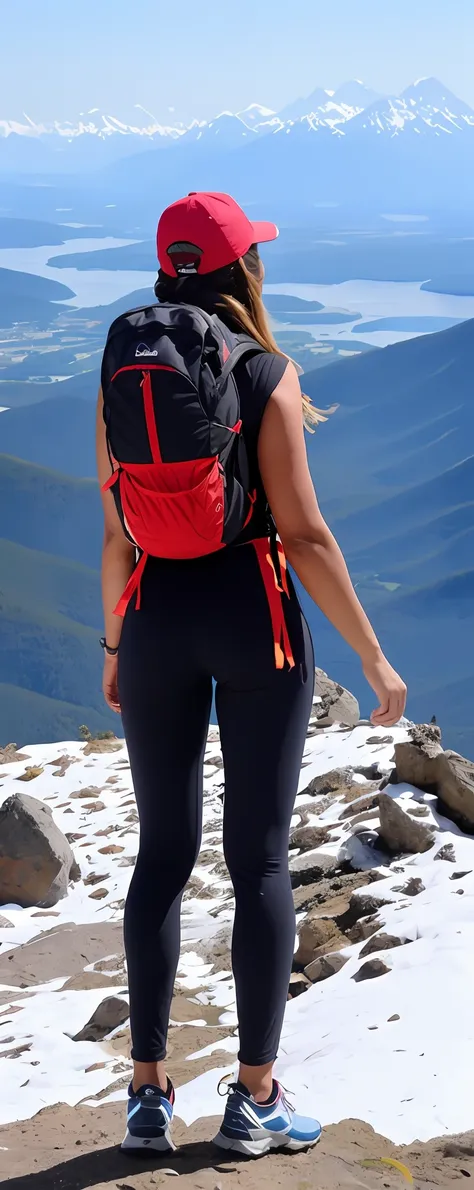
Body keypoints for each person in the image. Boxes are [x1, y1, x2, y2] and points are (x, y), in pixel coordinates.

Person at [96, 191, 407, 1159]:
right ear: (243, 270)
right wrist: (370, 652)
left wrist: (115, 647)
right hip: (252, 615)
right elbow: (305, 533)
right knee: (260, 858)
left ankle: (147, 1094)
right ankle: (255, 1095)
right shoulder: (264, 368)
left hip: (151, 615)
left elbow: (115, 527)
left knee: (161, 852)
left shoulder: (122, 365)